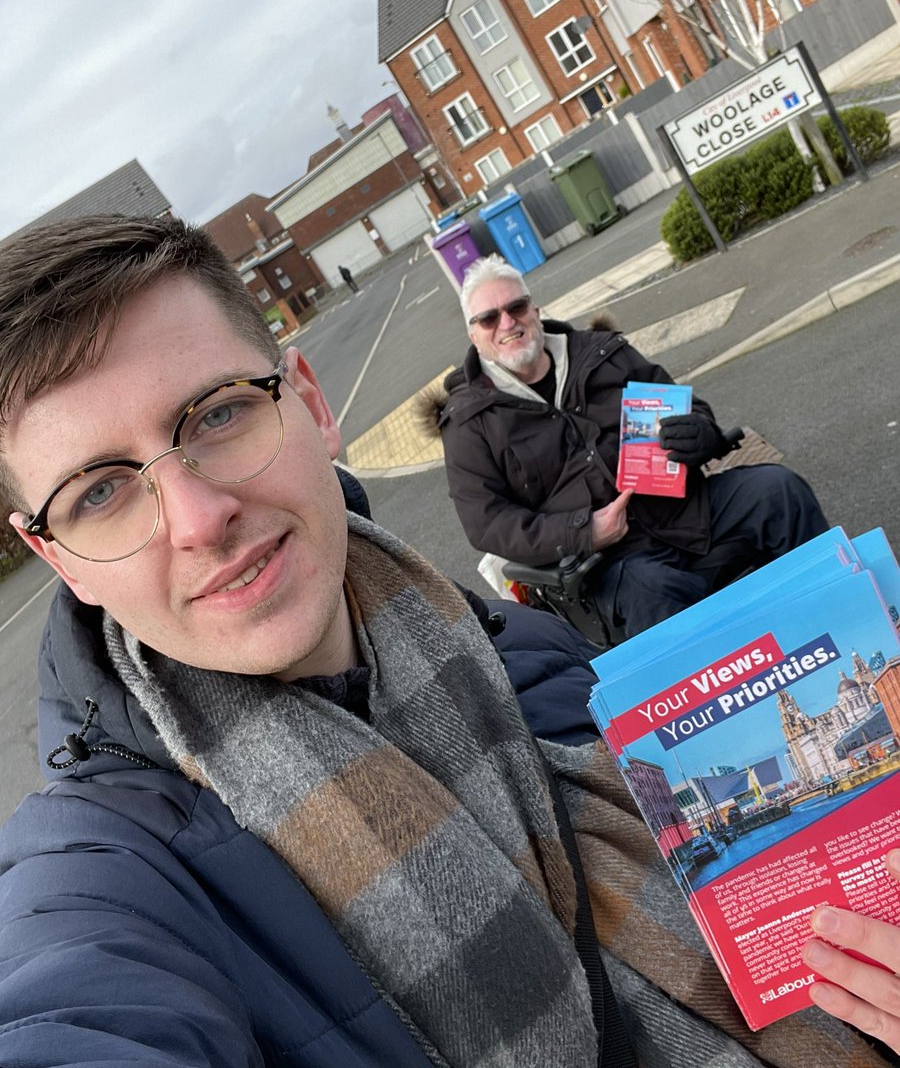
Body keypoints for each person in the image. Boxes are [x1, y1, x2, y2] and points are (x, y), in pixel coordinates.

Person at [0, 216, 895, 1068]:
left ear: (310, 401)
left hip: (681, 520)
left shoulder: (532, 654)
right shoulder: (105, 876)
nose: (199, 520)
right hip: (604, 562)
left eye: (217, 414)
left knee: (777, 499)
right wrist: (589, 529)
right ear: (58, 559)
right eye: (98, 493)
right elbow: (71, 1011)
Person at [434, 254, 830, 640]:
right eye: (489, 318)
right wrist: (584, 531)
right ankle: (752, 674)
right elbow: (489, 523)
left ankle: (839, 616)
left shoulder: (601, 353)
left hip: (682, 510)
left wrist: (700, 432)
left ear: (534, 310)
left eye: (516, 307)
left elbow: (689, 408)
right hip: (606, 561)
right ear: (474, 335)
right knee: (657, 593)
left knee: (779, 491)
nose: (507, 322)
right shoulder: (469, 421)